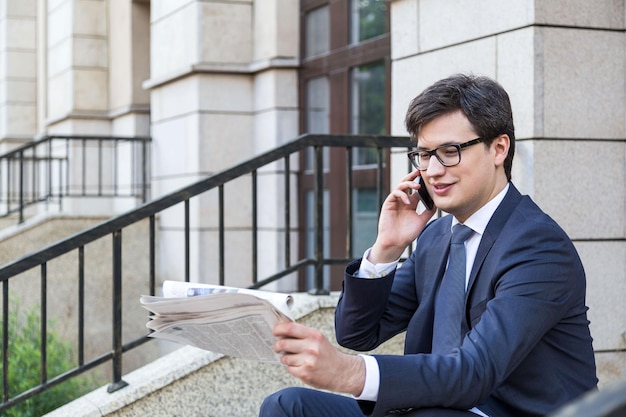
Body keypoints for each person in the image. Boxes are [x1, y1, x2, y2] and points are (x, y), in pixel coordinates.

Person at [259, 74, 597, 417]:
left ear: (499, 148)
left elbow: (474, 373)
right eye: (423, 154)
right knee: (288, 406)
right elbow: (357, 333)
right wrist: (386, 248)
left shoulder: (537, 246)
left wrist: (348, 372)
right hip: (435, 410)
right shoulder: (436, 237)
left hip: (506, 411)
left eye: (450, 152)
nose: (433, 170)